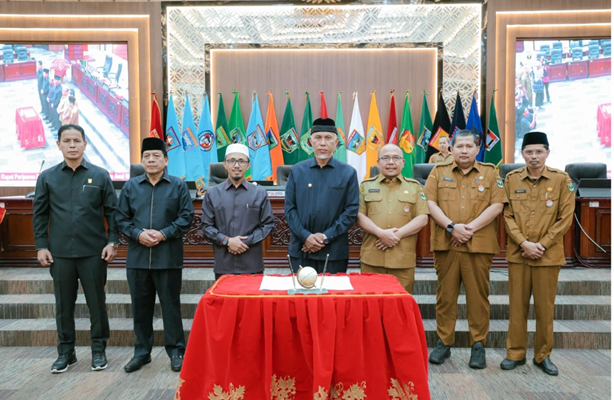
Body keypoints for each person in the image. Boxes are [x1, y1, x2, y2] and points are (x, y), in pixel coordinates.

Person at [32, 124, 118, 374]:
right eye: (66, 141)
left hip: (93, 252)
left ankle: (99, 350)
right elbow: (39, 215)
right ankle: (66, 352)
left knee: (96, 303)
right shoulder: (47, 177)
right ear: (58, 144)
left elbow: (113, 212)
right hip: (59, 254)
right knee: (63, 305)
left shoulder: (100, 175)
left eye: (76, 140)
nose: (72, 145)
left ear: (84, 144)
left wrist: (112, 241)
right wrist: (40, 247)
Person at [424, 129, 507, 369]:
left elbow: (497, 206)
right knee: (445, 297)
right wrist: (452, 227)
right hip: (446, 244)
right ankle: (443, 343)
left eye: (469, 146)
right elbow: (430, 203)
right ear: (451, 149)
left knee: (478, 298)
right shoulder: (438, 172)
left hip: (478, 245)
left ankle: (478, 345)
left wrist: (467, 229)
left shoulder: (491, 173)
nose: (463, 150)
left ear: (477, 149)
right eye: (459, 146)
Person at [117, 137, 194, 373]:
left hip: (168, 256)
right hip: (138, 258)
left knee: (171, 306)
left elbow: (186, 218)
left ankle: (176, 351)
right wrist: (138, 234)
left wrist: (162, 234)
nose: (151, 160)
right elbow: (121, 219)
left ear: (166, 160)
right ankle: (142, 353)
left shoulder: (178, 186)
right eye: (146, 156)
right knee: (140, 308)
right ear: (141, 161)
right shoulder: (131, 186)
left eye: (156, 156)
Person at [500, 131, 575, 376]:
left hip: (548, 256)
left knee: (545, 309)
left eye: (539, 151)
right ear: (522, 154)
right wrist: (524, 243)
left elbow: (565, 218)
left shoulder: (562, 180)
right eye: (529, 152)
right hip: (519, 254)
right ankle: (515, 354)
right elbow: (507, 216)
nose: (534, 156)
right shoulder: (511, 179)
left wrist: (541, 244)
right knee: (517, 307)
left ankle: (543, 356)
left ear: (547, 153)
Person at [285, 117, 359, 273]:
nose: (323, 143)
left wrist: (325, 237)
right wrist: (305, 236)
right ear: (311, 141)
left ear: (336, 142)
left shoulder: (348, 173)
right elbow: (290, 210)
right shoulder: (297, 171)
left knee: (333, 296)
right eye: (318, 138)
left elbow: (351, 211)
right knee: (300, 295)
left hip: (333, 250)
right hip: (301, 248)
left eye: (328, 138)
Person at [357, 144, 429, 293]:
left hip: (402, 259)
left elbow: (422, 218)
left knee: (400, 307)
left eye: (396, 158)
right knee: (371, 306)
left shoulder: (415, 187)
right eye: (386, 158)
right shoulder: (365, 186)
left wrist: (396, 235)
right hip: (372, 258)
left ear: (403, 162)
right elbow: (359, 216)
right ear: (378, 162)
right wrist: (380, 233)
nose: (391, 162)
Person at [202, 143, 275, 280]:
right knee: (225, 301)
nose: (236, 165)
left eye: (241, 161)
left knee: (251, 301)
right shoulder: (212, 194)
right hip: (224, 263)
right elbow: (207, 226)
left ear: (248, 165)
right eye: (232, 161)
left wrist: (245, 241)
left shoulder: (259, 193)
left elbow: (268, 225)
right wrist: (227, 241)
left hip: (252, 263)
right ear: (225, 164)